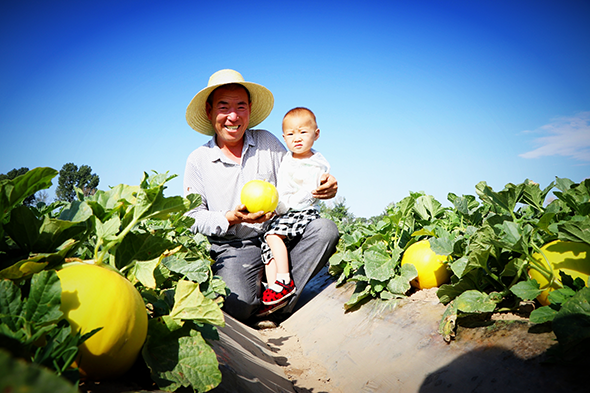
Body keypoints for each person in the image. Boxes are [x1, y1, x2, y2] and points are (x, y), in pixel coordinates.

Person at [183, 69, 339, 323]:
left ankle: (276, 301)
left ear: (250, 109)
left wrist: (326, 185)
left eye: (240, 106)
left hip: (277, 237)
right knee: (239, 305)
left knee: (325, 230)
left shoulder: (267, 142)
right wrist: (229, 217)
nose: (233, 116)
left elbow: (298, 170)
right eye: (224, 107)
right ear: (210, 111)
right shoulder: (198, 160)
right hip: (233, 247)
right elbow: (192, 217)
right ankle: (263, 297)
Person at [260, 107, 330, 310]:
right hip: (287, 210)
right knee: (267, 244)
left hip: (302, 211)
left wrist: (284, 207)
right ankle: (274, 290)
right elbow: (283, 190)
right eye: (291, 134)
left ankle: (283, 280)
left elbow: (309, 191)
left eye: (303, 132)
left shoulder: (315, 162)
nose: (296, 138)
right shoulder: (287, 160)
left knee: (273, 237)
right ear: (284, 137)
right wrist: (277, 206)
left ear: (316, 135)